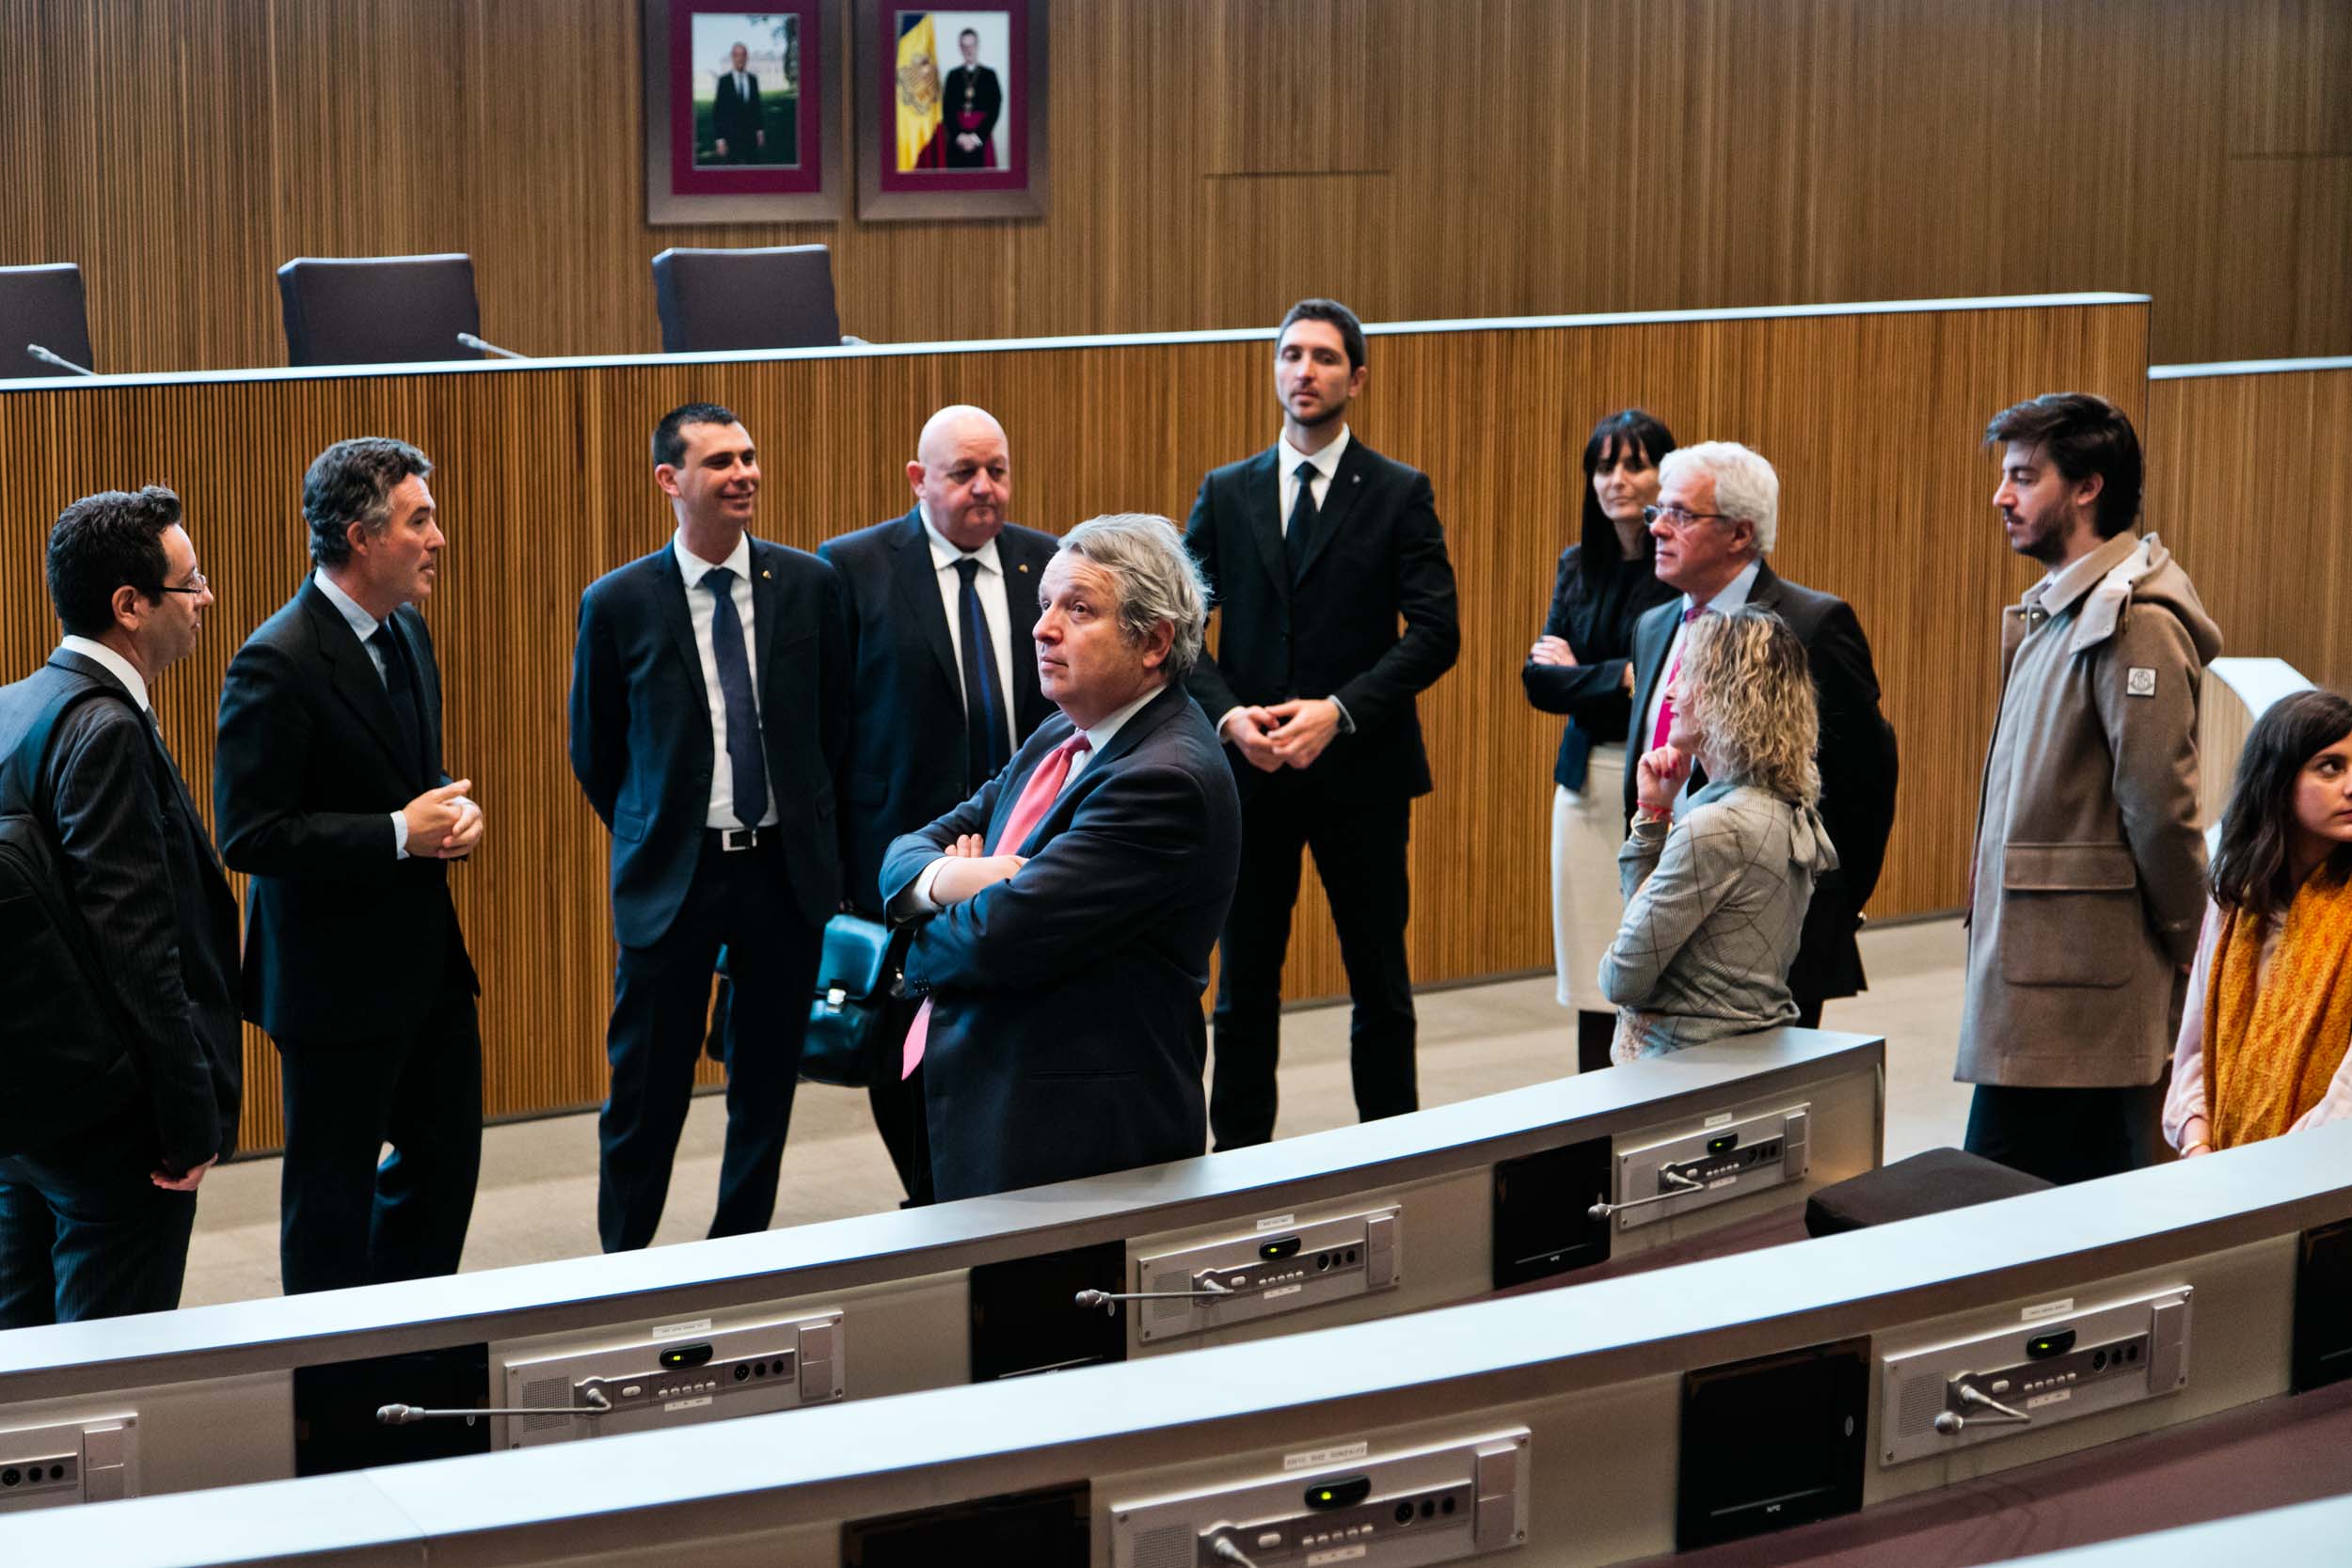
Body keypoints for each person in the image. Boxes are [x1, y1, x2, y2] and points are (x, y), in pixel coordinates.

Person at [880, 515, 1241, 1200]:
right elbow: (905, 851)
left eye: (1079, 609)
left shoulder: (1164, 778)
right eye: (1045, 604)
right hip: (997, 1097)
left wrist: (919, 925)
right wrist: (961, 877)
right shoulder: (1062, 732)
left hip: (1075, 1136)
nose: (1043, 629)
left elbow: (997, 939)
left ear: (1154, 641)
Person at [569, 402, 847, 1251]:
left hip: (782, 873)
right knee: (646, 1091)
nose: (743, 474)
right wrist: (658, 826)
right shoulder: (619, 601)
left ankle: (741, 1253)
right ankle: (624, 1266)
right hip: (675, 877)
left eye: (748, 457)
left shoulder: (809, 585)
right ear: (670, 479)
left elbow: (837, 726)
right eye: (720, 461)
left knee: (765, 1085)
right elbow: (596, 750)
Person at [1184, 297, 1461, 1148]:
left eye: (1326, 357)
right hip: (1252, 774)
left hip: (1363, 774)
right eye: (1292, 354)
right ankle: (1237, 1166)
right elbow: (1178, 628)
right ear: (1274, 369)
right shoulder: (1226, 490)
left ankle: (1391, 1157)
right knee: (1242, 990)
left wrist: (1338, 713)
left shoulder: (1400, 490)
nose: (1305, 370)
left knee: (1380, 983)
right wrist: (1228, 718)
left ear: (1357, 378)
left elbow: (1438, 632)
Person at [215, 439, 485, 1295]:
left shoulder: (408, 628)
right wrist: (398, 833)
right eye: (419, 520)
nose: (438, 538)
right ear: (360, 537)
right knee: (329, 1206)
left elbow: (404, 776)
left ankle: (412, 1342)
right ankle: (329, 1369)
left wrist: (451, 812)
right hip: (332, 985)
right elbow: (250, 834)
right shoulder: (277, 659)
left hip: (428, 967)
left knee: (444, 1169)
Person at [1957, 393, 2221, 1185]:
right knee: (2069, 1198)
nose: (2002, 496)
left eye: (2023, 477)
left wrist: (2194, 944)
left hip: (2074, 987)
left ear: (2086, 488)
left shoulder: (2136, 621)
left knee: (2002, 1205)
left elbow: (2161, 809)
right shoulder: (2063, 610)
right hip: (2046, 974)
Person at [0, 488, 239, 1325]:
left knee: (22, 1356)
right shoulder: (105, 728)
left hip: (28, 1106)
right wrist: (191, 1122)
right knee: (108, 1371)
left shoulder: (14, 704)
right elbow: (138, 948)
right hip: (113, 1130)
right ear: (129, 604)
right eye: (190, 581)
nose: (206, 597)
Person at [818, 405, 1057, 1205]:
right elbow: (826, 733)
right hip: (900, 863)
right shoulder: (852, 568)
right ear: (919, 479)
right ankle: (925, 1197)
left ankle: (988, 1191)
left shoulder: (1047, 563)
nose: (985, 487)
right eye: (964, 472)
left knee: (1004, 1033)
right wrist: (840, 878)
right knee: (905, 1050)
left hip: (1025, 849)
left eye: (998, 470)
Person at [1624, 440, 1897, 1030]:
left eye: (1680, 514)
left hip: (1776, 942)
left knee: (1764, 1094)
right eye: (1657, 512)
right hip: (1668, 924)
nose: (1658, 529)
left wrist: (1828, 909)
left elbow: (1864, 785)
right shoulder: (1653, 626)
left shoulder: (1811, 624)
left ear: (1740, 533)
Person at [1602, 606, 1835, 1058]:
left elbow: (1621, 978)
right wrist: (1654, 814)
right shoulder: (1784, 808)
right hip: (1745, 1061)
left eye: (1687, 675)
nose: (1671, 691)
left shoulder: (1715, 828)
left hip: (1679, 1071)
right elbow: (1646, 928)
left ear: (1727, 697)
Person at [1523, 409, 1680, 1066]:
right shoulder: (1577, 565)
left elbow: (1664, 681)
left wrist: (1586, 674)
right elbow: (1539, 681)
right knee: (1595, 973)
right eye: (1604, 466)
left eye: (1635, 464)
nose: (1617, 479)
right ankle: (1596, 1102)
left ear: (1665, 474)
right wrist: (1618, 675)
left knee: (1657, 967)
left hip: (1662, 783)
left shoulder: (1677, 566)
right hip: (1586, 785)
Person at [2166, 691, 2352, 1157]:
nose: (2351, 786)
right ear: (2277, 781)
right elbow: (2194, 1051)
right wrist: (2198, 1147)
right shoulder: (2235, 903)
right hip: (2223, 1171)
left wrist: (2262, 1177)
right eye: (2331, 767)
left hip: (2319, 1175)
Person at [941, 28, 1001, 167]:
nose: (969, 50)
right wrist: (959, 136)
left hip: (981, 137)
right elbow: (947, 109)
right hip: (958, 140)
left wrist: (977, 137)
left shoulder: (989, 75)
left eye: (972, 45)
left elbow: (995, 109)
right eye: (965, 46)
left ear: (977, 46)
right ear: (960, 48)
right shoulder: (953, 75)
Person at [711, 42, 765, 164]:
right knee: (732, 170)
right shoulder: (724, 81)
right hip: (731, 137)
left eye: (743, 55)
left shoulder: (753, 80)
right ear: (732, 57)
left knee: (752, 168)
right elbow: (718, 112)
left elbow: (757, 108)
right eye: (737, 55)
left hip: (750, 137)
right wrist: (720, 139)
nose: (740, 58)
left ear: (747, 57)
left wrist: (760, 131)